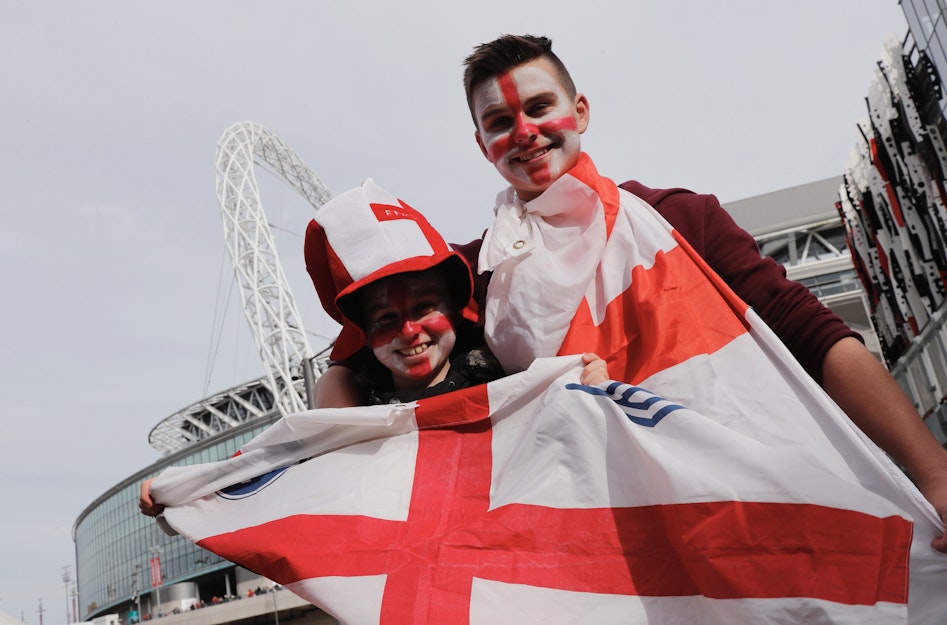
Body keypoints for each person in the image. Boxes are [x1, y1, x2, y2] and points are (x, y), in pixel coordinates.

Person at [314, 34, 947, 551]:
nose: (525, 131)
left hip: (767, 506)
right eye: (500, 122)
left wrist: (937, 474)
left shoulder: (677, 218)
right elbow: (351, 365)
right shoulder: (475, 274)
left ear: (581, 111)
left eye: (539, 107)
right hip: (619, 549)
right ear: (483, 146)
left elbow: (815, 337)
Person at [139, 178, 608, 516]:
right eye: (385, 319)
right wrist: (191, 491)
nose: (409, 330)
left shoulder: (506, 366)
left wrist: (590, 391)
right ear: (362, 334)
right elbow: (279, 464)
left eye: (424, 307)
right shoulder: (349, 405)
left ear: (455, 307)